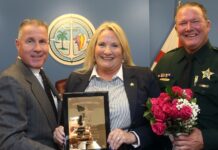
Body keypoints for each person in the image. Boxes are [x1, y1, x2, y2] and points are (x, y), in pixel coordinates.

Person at [54, 21, 161, 150]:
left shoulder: (143, 77)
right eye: (102, 44)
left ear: (123, 51)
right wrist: (60, 133)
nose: (107, 51)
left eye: (115, 45)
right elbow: (66, 125)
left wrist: (132, 136)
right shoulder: (76, 79)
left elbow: (159, 124)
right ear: (94, 48)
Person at [153, 2, 218, 150]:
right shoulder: (165, 61)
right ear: (176, 29)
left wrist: (207, 139)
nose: (189, 28)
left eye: (195, 21)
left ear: (208, 25)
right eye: (183, 23)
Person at [0, 19, 61, 149]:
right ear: (18, 44)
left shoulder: (40, 74)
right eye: (30, 41)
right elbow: (10, 141)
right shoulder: (11, 80)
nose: (38, 48)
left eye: (42, 42)